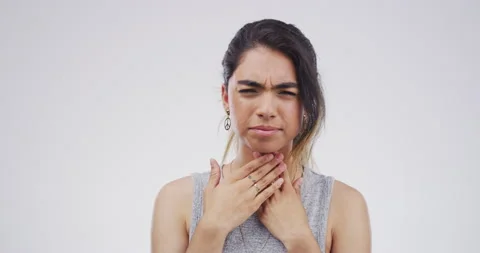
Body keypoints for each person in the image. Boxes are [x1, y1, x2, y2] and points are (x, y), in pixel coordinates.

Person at [151, 19, 371, 253]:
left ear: (306, 103)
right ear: (226, 97)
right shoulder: (177, 200)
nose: (266, 109)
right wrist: (212, 227)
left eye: (286, 92)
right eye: (249, 91)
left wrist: (298, 236)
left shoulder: (344, 206)